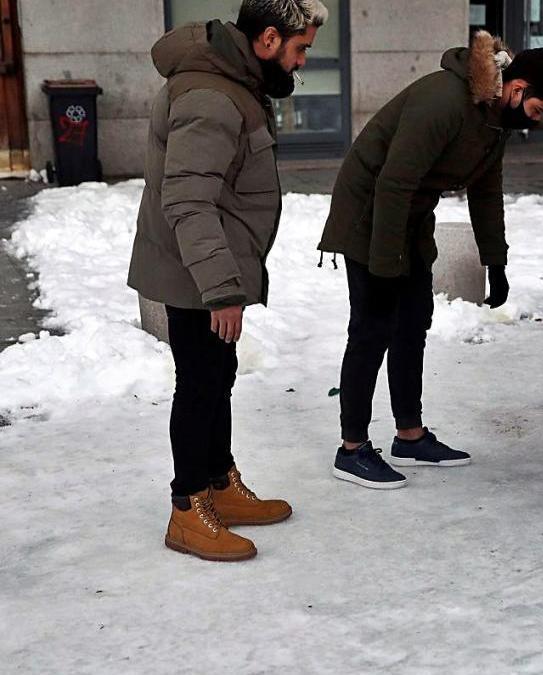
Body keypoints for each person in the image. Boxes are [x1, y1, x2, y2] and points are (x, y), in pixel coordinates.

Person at [317, 34, 543, 489]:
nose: (533, 121)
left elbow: (487, 193)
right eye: (535, 110)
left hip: (409, 215)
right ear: (517, 88)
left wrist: (497, 262)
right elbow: (392, 182)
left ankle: (409, 436)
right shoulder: (445, 101)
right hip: (370, 212)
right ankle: (351, 449)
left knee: (414, 320)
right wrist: (386, 264)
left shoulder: (494, 121)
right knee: (373, 327)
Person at [128, 0, 327, 562]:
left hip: (208, 265)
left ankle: (218, 481)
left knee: (217, 373)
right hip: (195, 270)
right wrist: (221, 289)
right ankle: (189, 510)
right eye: (299, 48)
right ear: (267, 39)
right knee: (199, 382)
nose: (302, 62)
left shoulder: (232, 82)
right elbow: (189, 199)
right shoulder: (212, 96)